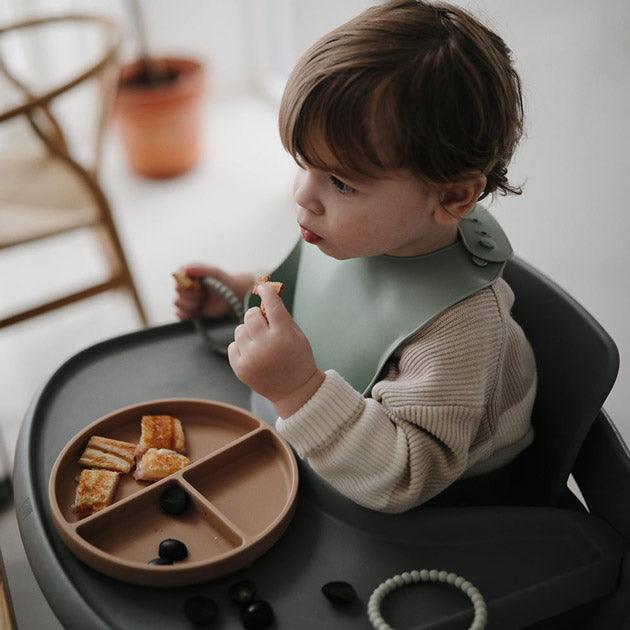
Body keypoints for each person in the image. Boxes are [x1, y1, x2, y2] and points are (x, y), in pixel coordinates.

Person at [174, 0, 537, 513]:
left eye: (341, 182)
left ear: (454, 198)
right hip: (337, 449)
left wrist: (298, 390)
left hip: (450, 509)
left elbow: (408, 476)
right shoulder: (352, 231)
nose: (304, 194)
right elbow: (328, 300)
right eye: (303, 164)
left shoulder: (460, 330)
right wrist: (239, 294)